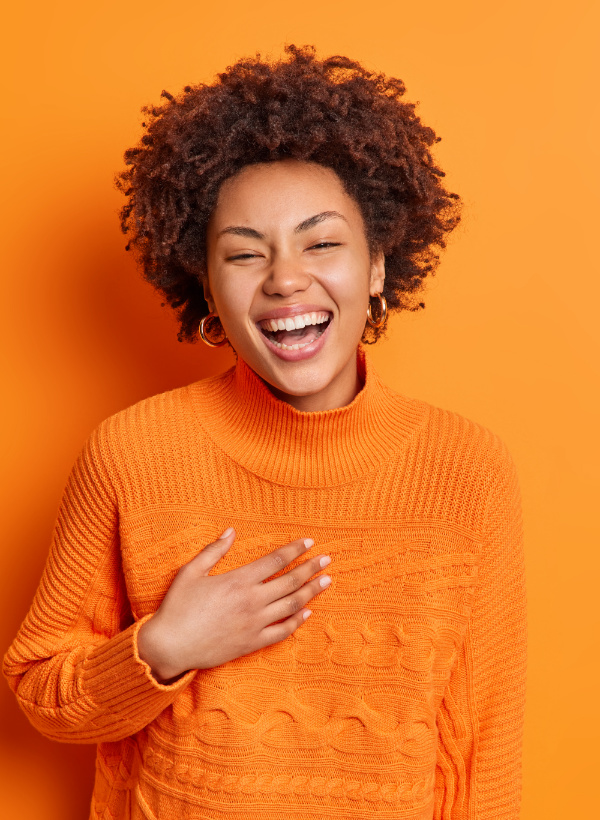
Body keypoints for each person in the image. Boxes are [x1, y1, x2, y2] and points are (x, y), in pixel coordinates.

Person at [3, 45, 527, 820]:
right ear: (205, 288)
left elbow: (483, 752)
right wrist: (165, 649)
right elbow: (40, 695)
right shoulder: (133, 452)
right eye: (245, 254)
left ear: (379, 266)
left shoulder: (467, 469)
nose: (284, 278)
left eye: (321, 243)